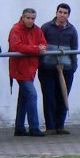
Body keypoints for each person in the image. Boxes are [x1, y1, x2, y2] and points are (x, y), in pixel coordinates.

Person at [39, 3, 78, 135]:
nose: (62, 15)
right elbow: (40, 45)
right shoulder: (46, 27)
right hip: (47, 68)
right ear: (56, 13)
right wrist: (40, 64)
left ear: (68, 15)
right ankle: (50, 127)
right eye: (60, 12)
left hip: (66, 69)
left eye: (65, 13)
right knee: (49, 97)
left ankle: (60, 125)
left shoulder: (72, 30)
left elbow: (74, 49)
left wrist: (73, 67)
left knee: (63, 96)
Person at [8, 8, 47, 136]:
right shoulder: (15, 30)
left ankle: (19, 127)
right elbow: (17, 46)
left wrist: (39, 48)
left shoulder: (37, 30)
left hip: (31, 68)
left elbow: (43, 44)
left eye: (33, 18)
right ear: (22, 17)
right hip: (20, 68)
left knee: (24, 97)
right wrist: (36, 48)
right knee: (32, 95)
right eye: (28, 18)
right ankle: (34, 127)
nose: (30, 20)